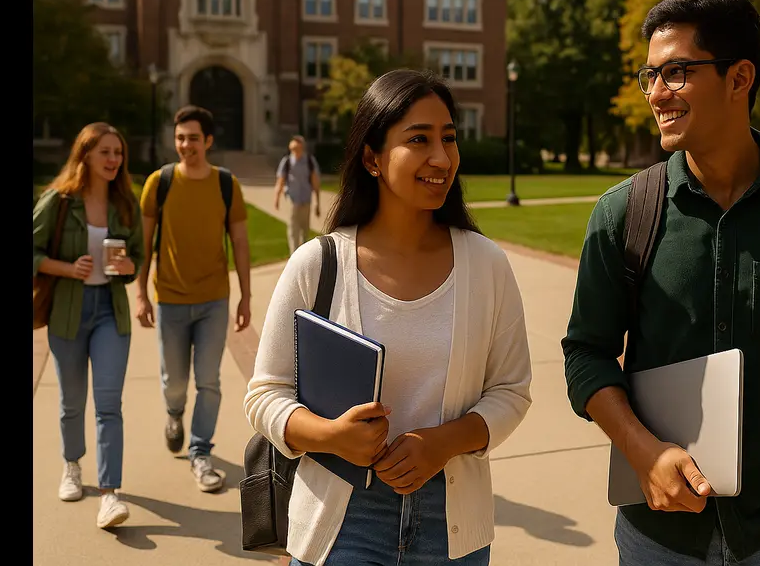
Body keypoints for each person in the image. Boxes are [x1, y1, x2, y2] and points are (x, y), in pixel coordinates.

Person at [561, 0, 760, 566]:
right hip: (656, 536)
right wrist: (644, 455)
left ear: (740, 79)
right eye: (651, 75)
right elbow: (586, 354)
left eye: (678, 72)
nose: (657, 94)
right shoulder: (623, 213)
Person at [245, 69, 533, 566]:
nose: (441, 158)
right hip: (342, 524)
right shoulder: (318, 264)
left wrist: (440, 444)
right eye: (418, 139)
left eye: (449, 138)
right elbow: (265, 395)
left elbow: (511, 391)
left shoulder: (487, 266)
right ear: (372, 158)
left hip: (452, 524)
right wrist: (330, 436)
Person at [33, 122, 145, 529]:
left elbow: (137, 257)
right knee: (71, 402)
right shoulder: (59, 201)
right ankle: (71, 466)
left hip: (109, 314)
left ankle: (110, 493)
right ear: (85, 156)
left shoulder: (125, 204)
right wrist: (66, 267)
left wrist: (130, 266)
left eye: (118, 152)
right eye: (106, 152)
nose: (114, 159)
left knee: (108, 403)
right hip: (68, 311)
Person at [136, 105, 251, 493]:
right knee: (175, 382)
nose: (186, 145)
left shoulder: (225, 184)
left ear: (209, 141)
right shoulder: (160, 182)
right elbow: (145, 244)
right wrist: (141, 294)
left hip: (213, 300)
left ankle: (200, 452)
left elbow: (239, 241)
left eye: (193, 138)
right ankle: (174, 414)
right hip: (169, 298)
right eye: (180, 138)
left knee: (209, 381)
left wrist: (245, 296)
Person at [274, 134, 322, 254]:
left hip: (306, 200)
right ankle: (293, 256)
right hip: (292, 200)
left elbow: (315, 181)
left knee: (304, 230)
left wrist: (317, 202)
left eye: (297, 143)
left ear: (302, 146)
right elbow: (280, 180)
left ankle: (303, 257)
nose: (294, 147)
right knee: (292, 229)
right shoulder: (287, 162)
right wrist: (277, 198)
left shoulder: (310, 161)